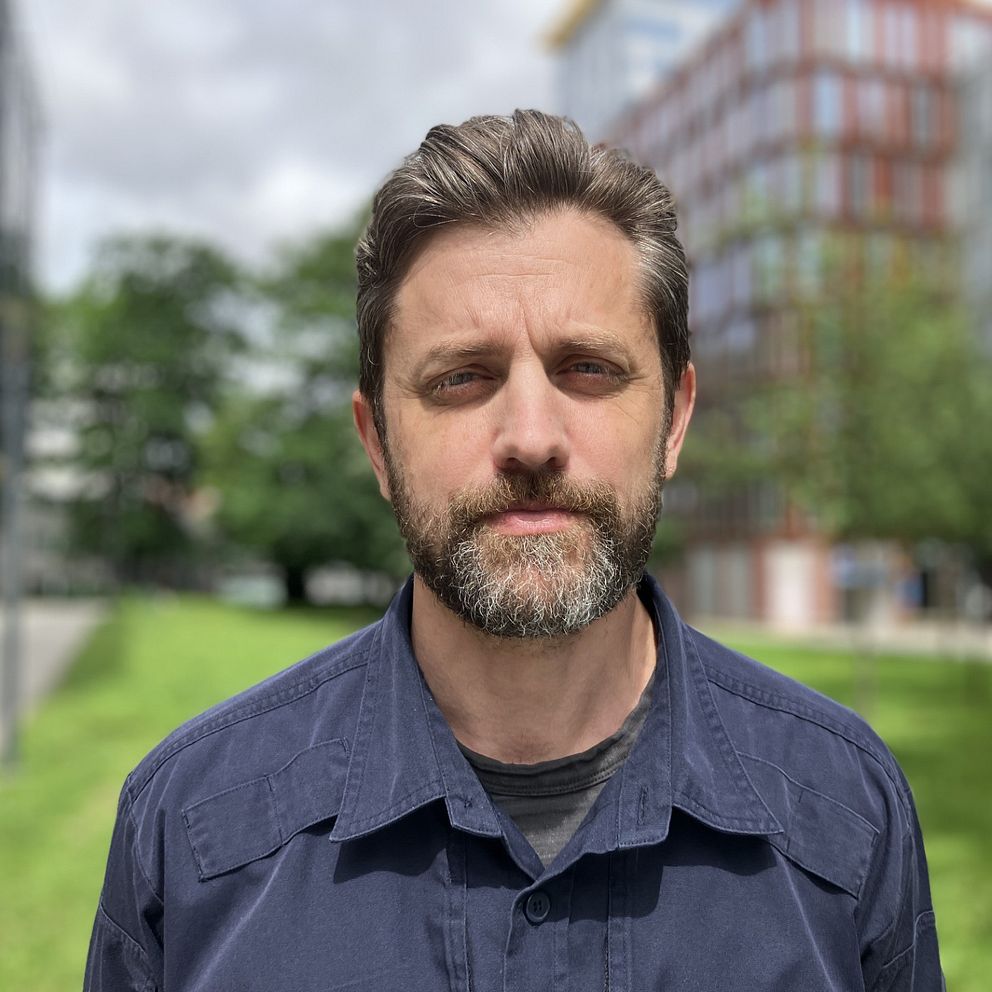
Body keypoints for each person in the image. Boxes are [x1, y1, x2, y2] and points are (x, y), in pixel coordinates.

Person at [85, 110, 942, 991]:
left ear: (675, 420)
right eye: (462, 377)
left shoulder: (851, 813)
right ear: (377, 442)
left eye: (588, 368)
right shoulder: (184, 832)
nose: (531, 438)